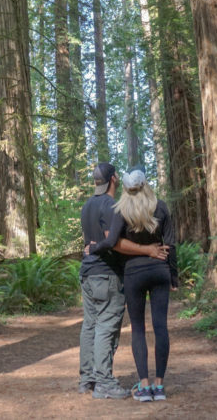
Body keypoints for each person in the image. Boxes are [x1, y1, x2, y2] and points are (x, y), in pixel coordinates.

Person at [88, 168, 177, 402]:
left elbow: (111, 241)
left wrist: (93, 247)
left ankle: (144, 387)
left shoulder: (121, 210)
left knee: (138, 329)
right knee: (161, 327)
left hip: (133, 275)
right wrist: (174, 278)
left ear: (126, 189)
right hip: (160, 271)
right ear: (146, 185)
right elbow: (171, 245)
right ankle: (159, 386)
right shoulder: (161, 206)